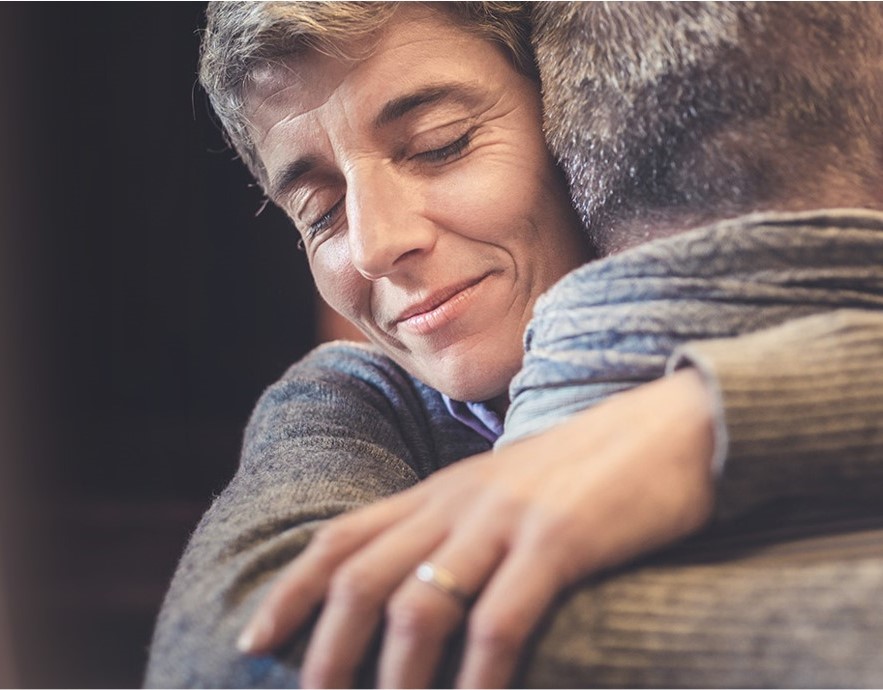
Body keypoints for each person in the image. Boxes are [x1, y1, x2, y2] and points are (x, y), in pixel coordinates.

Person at [146, 2, 883, 687]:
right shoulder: (359, 402)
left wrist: (697, 426)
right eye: (321, 212)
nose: (376, 243)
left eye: (440, 146)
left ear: (570, 117)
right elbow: (232, 656)